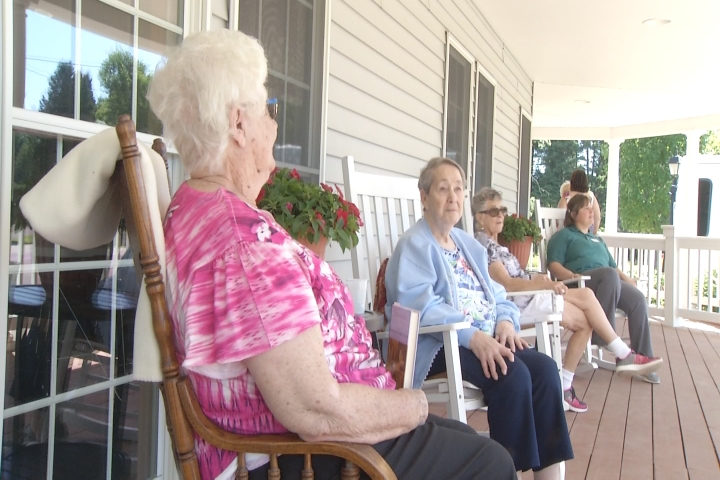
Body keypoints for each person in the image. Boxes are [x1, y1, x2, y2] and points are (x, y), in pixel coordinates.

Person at [147, 30, 516, 480]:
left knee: (470, 441)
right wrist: (413, 402)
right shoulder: (244, 246)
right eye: (269, 110)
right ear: (239, 124)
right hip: (297, 455)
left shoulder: (194, 206)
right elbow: (315, 410)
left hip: (305, 440)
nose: (275, 126)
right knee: (491, 463)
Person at [384, 157, 573, 479]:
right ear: (425, 196)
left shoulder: (468, 245)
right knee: (510, 374)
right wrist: (474, 336)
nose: (453, 197)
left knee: (543, 370)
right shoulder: (414, 245)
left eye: (458, 189)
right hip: (440, 342)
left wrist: (505, 323)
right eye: (443, 189)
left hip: (485, 336)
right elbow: (421, 306)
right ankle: (504, 472)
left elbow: (498, 295)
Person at [472, 188, 663, 412]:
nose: (500, 215)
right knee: (585, 318)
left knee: (587, 304)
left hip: (532, 294)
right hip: (520, 302)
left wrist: (537, 277)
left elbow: (516, 277)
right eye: (493, 211)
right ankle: (602, 365)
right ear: (479, 217)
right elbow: (508, 285)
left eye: (502, 209)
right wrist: (546, 283)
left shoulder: (497, 245)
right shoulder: (484, 246)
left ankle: (608, 361)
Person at [547, 194, 663, 384]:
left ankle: (642, 359)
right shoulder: (564, 236)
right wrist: (570, 276)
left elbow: (613, 266)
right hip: (582, 283)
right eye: (586, 208)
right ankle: (605, 338)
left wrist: (627, 278)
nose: (591, 211)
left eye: (591, 208)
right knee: (609, 275)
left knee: (637, 299)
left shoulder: (597, 240)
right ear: (574, 214)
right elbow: (553, 264)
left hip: (609, 283)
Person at [558, 170, 602, 234]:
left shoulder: (567, 196)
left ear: (572, 182)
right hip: (587, 233)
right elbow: (597, 218)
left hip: (569, 233)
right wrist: (593, 234)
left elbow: (560, 216)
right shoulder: (591, 196)